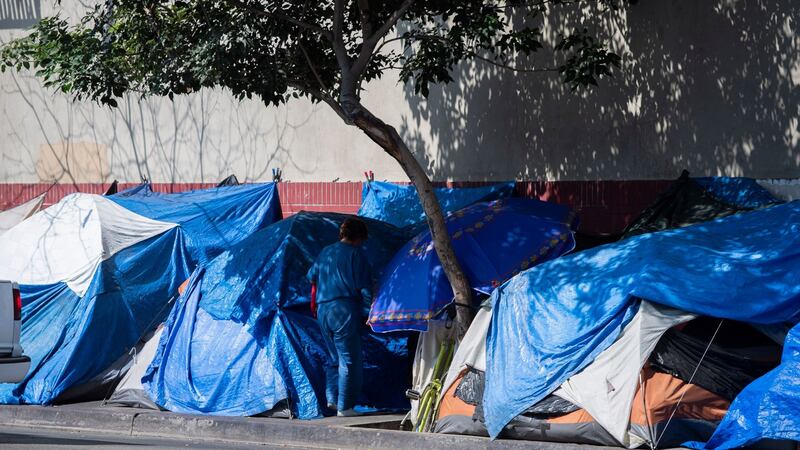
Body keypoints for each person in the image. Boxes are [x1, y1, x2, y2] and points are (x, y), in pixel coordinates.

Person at [307, 217, 373, 417]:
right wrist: (371, 312)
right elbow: (365, 287)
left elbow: (311, 276)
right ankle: (345, 407)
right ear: (360, 237)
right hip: (343, 309)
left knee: (334, 358)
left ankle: (333, 400)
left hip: (322, 310)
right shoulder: (356, 254)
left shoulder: (326, 251)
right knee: (348, 360)